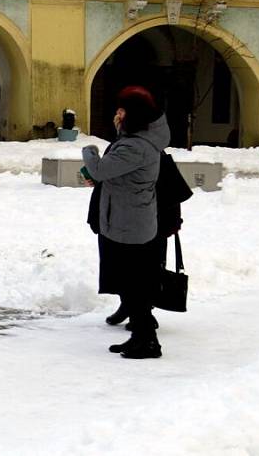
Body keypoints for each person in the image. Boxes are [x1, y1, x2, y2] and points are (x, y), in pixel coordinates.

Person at [82, 86, 170, 359]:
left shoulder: (136, 145)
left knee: (136, 285)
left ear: (133, 115)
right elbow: (111, 173)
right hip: (126, 220)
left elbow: (100, 169)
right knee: (131, 284)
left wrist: (89, 151)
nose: (116, 114)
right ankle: (139, 337)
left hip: (130, 224)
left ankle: (148, 341)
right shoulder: (135, 140)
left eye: (121, 110)